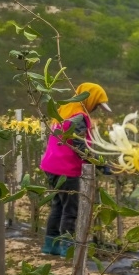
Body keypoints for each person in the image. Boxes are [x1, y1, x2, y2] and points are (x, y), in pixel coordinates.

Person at [39, 82, 111, 256]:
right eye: (96, 104)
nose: (95, 109)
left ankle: (51, 245)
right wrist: (100, 164)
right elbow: (79, 145)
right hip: (66, 168)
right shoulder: (79, 116)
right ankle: (67, 248)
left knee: (58, 205)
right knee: (71, 209)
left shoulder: (64, 110)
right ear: (90, 99)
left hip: (51, 165)